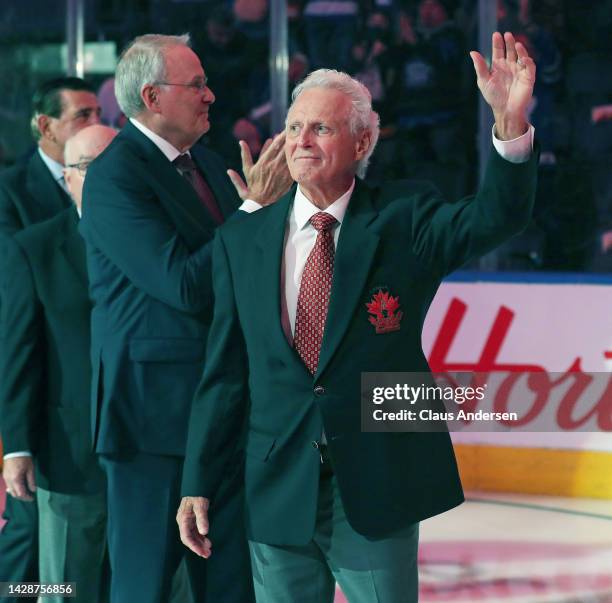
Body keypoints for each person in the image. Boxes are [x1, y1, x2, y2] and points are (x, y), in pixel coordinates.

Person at [178, 31, 538, 602]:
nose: (302, 140)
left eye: (320, 127)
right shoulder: (240, 241)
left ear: (363, 139)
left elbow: (497, 217)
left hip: (376, 478)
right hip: (277, 486)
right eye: (295, 127)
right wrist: (196, 481)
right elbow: (223, 373)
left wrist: (510, 126)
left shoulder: (405, 217)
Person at [79, 33, 291, 603]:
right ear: (152, 96)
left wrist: (271, 219)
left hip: (225, 411)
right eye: (196, 85)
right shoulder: (115, 176)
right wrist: (253, 210)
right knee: (144, 583)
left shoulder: (211, 163)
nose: (211, 96)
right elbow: (185, 285)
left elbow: (243, 273)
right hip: (153, 420)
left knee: (232, 586)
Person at [0, 125, 117, 603]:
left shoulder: (164, 238)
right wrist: (18, 447)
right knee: (63, 587)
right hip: (69, 454)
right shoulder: (35, 248)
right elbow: (19, 353)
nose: (109, 178)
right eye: (92, 169)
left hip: (155, 454)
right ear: (67, 179)